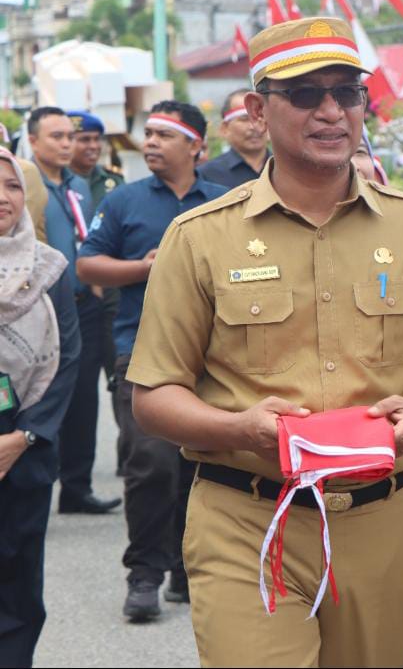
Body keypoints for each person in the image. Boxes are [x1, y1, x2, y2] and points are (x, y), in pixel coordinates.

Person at [126, 17, 403, 665]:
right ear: (257, 109)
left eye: (346, 93)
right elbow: (153, 396)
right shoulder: (200, 237)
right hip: (246, 520)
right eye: (305, 94)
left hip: (381, 521)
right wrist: (239, 428)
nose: (330, 111)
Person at [77, 100, 228, 622]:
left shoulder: (225, 203)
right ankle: (144, 574)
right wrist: (144, 269)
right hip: (141, 352)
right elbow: (87, 264)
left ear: (196, 146)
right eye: (149, 134)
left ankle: (188, 570)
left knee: (202, 464)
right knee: (150, 465)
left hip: (214, 359)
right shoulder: (124, 200)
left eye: (164, 135)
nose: (150, 143)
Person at [0, 147, 81, 666]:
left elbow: (67, 357)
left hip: (23, 444)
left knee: (16, 580)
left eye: (12, 185)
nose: (3, 197)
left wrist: (23, 437)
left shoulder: (49, 269)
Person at [28, 107, 119, 515]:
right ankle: (34, 483)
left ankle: (77, 487)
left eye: (70, 136)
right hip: (39, 305)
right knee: (41, 394)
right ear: (33, 141)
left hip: (84, 304)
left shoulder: (78, 186)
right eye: (57, 137)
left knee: (84, 396)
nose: (67, 144)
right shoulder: (24, 183)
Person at [67, 110, 126, 408]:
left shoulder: (114, 182)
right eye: (84, 140)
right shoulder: (59, 184)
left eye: (96, 139)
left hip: (112, 291)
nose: (92, 146)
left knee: (121, 374)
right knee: (81, 384)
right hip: (76, 295)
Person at [197, 89, 270, 188]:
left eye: (260, 117)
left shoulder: (286, 168)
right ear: (225, 128)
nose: (254, 126)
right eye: (244, 119)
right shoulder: (206, 175)